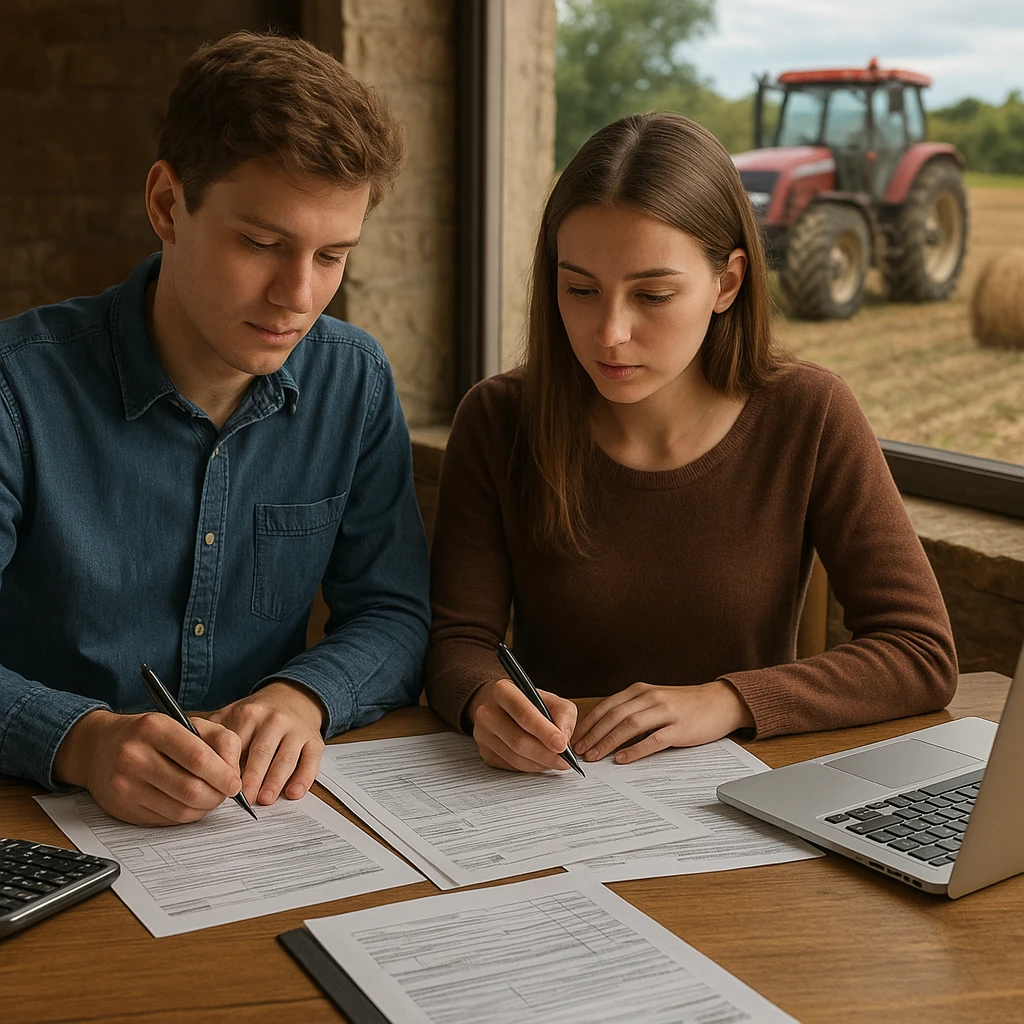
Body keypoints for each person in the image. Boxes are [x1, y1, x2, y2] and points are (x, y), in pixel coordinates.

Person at [425, 111, 957, 773]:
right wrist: (485, 699)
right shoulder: (498, 420)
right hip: (557, 793)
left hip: (740, 809)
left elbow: (919, 652)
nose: (609, 332)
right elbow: (457, 642)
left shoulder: (810, 412)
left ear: (726, 283)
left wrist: (729, 699)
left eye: (652, 294)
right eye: (580, 289)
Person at [0, 32, 430, 824]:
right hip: (37, 820)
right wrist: (83, 741)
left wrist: (304, 697)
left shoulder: (355, 381)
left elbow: (394, 614)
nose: (300, 296)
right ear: (167, 204)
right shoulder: (16, 388)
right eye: (263, 244)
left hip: (257, 826)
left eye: (333, 255)